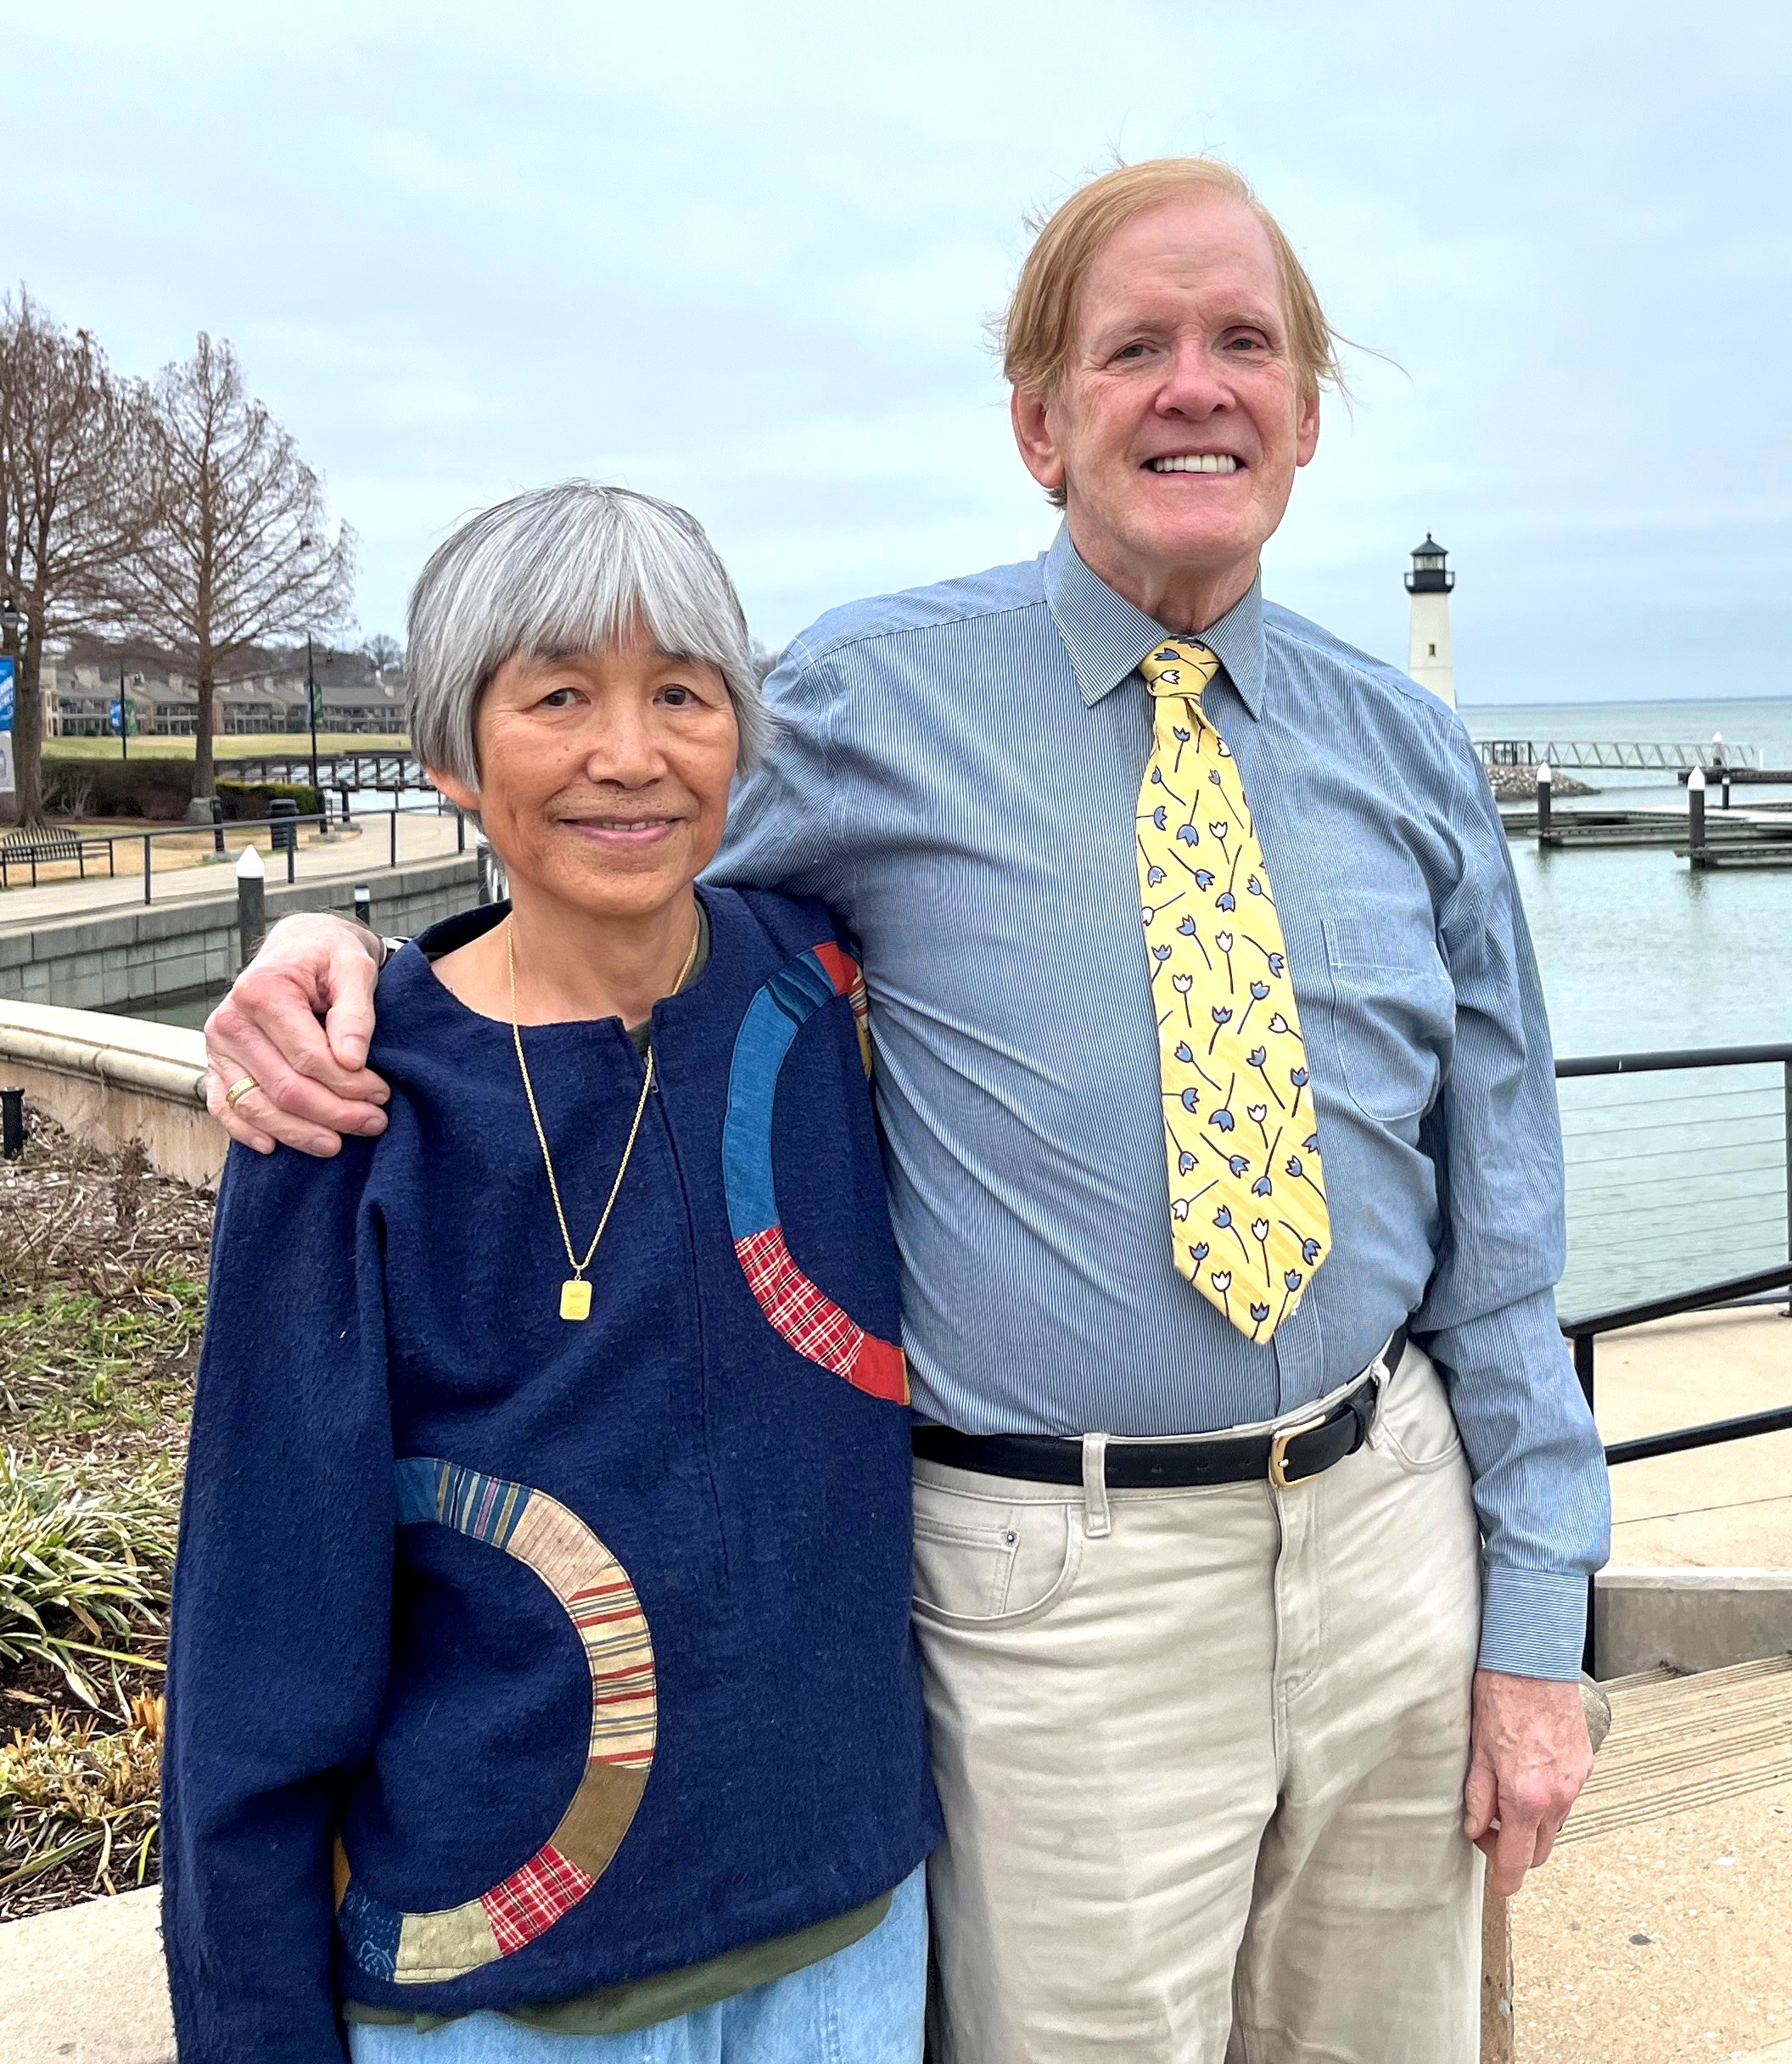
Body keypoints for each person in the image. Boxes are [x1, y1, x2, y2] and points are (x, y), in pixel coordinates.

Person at [202, 159, 1611, 2062]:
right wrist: (337, 947)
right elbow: (612, 851)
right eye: (1135, 349)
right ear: (1042, 424)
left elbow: (1506, 1226)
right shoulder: (873, 699)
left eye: (1244, 343)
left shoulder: (1413, 751)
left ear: (1302, 409)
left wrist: (1536, 1622)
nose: (1196, 385)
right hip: (1061, 1590)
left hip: (1391, 1534)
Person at [164, 484, 939, 2064]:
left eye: (682, 694)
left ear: (742, 735)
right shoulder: (355, 1106)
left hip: (850, 1930)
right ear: (453, 752)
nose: (630, 753)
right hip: (501, 1991)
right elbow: (263, 1627)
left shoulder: (828, 992)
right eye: (558, 695)